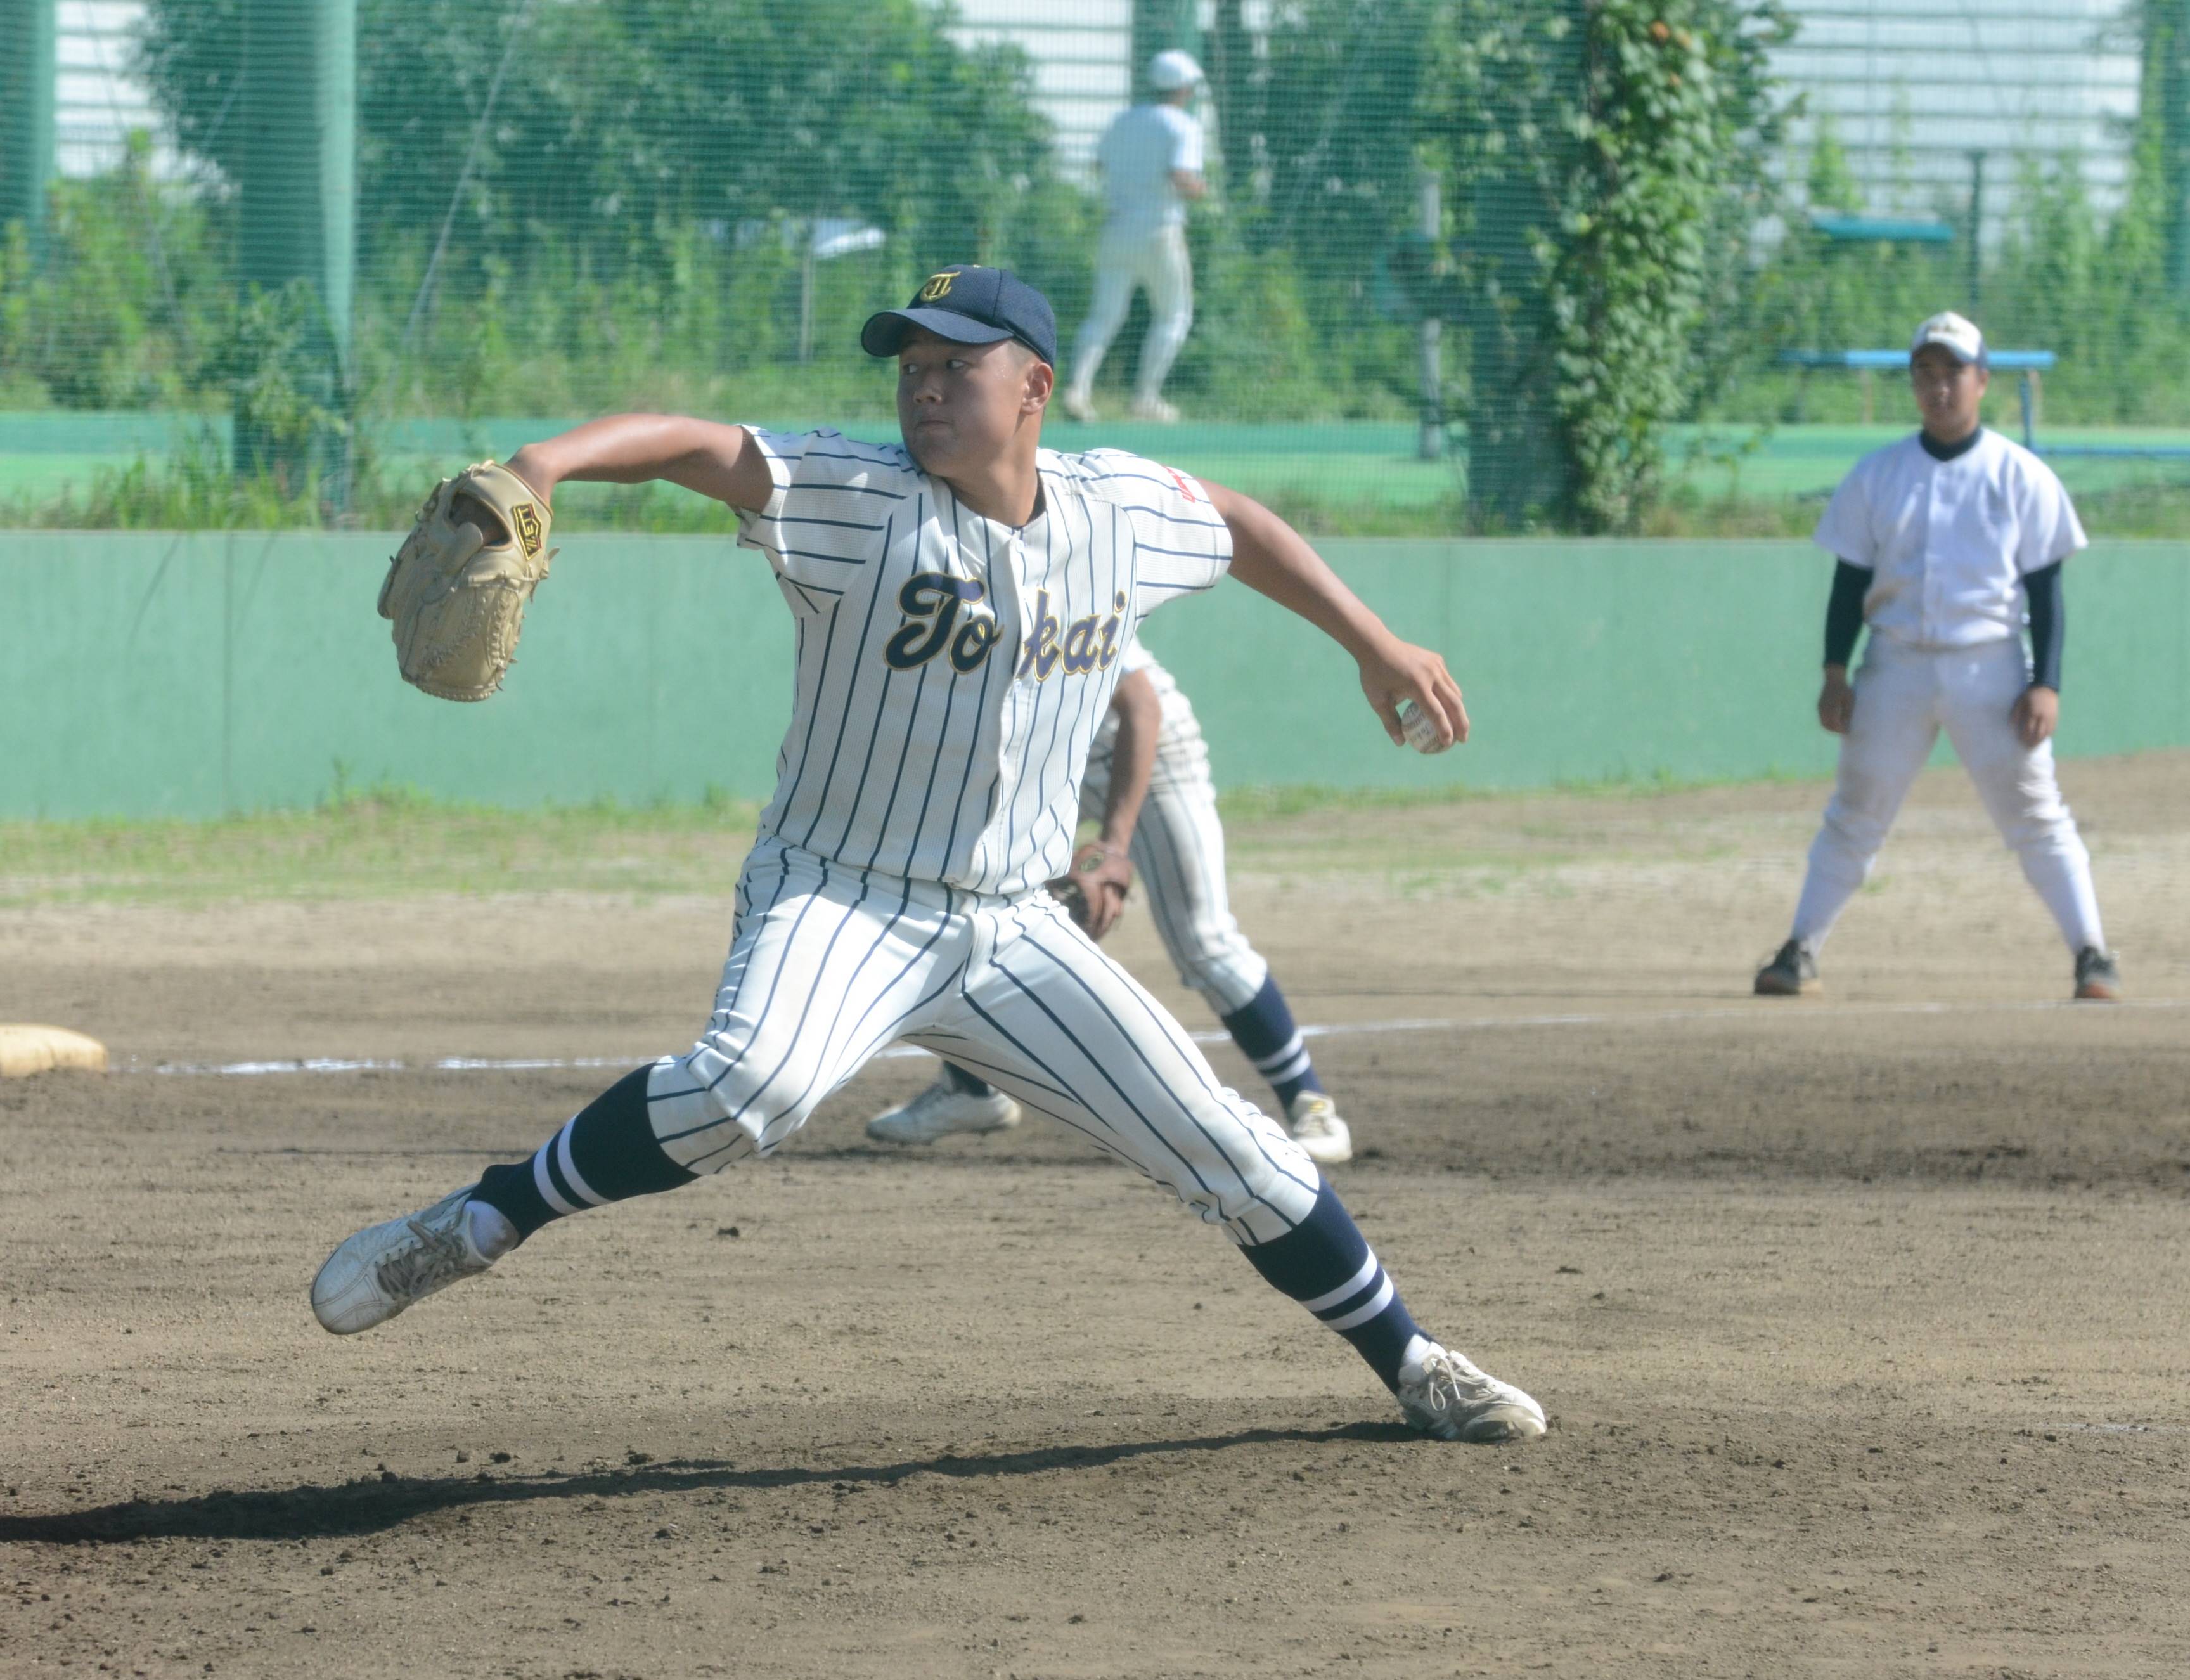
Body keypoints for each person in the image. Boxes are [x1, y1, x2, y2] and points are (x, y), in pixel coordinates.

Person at [308, 264, 1543, 1444]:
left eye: (958, 363)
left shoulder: (1115, 511)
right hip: (841, 894)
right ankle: (477, 1220)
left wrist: (1372, 642)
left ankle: (1416, 1361)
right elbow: (700, 444)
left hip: (1016, 927)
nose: (924, 386)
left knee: (1232, 1147)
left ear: (1035, 388)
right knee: (753, 1088)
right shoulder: (855, 497)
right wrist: (545, 462)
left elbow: (1232, 522)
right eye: (910, 363)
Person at [865, 642, 1357, 1163]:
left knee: (1205, 941)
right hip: (1046, 757)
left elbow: (1141, 706)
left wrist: (1114, 847)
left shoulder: (1050, 573)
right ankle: (972, 1091)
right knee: (962, 908)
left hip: (1147, 743)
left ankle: (1311, 1103)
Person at [1754, 312, 2116, 1002]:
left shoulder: (2020, 474)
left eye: (1954, 371)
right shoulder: (1878, 475)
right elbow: (1849, 582)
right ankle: (1800, 950)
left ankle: (2093, 955)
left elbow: (2047, 589)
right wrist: (1835, 670)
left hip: (1993, 666)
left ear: (1983, 380)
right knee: (1855, 812)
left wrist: (2048, 683)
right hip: (1896, 665)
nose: (1939, 385)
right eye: (1926, 372)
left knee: (2038, 815)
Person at [1062, 49, 1209, 425]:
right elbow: (1182, 176)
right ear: (1184, 88)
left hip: (1116, 227)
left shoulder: (1123, 121)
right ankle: (1145, 398)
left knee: (1104, 316)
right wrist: (1201, 189)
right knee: (1175, 315)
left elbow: (1099, 165)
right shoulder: (1183, 125)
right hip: (1160, 230)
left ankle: (1077, 390)